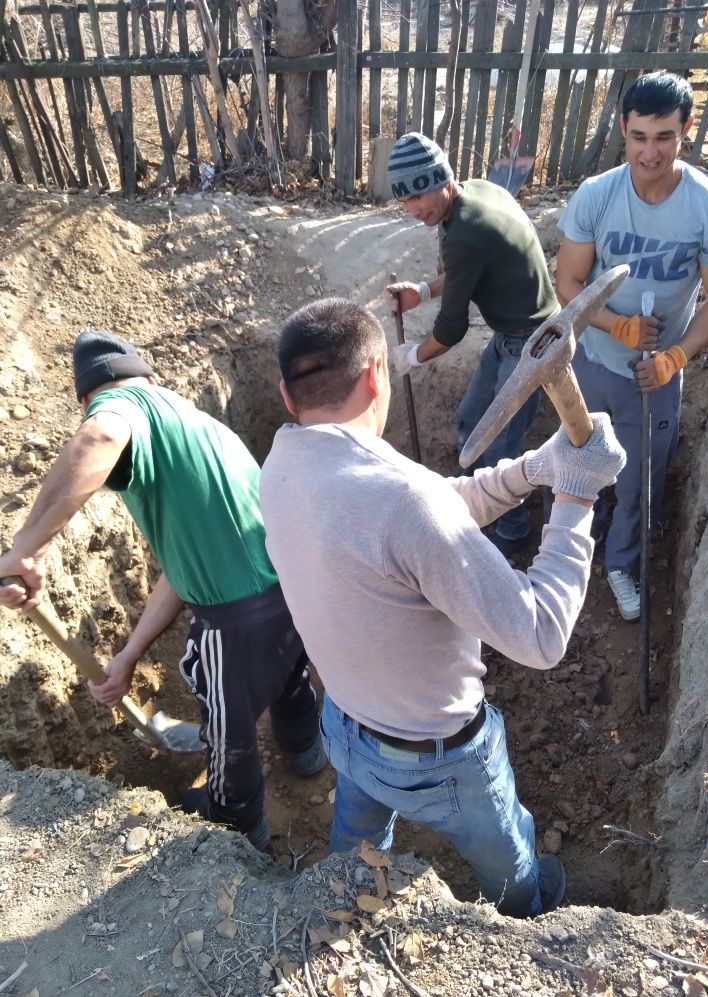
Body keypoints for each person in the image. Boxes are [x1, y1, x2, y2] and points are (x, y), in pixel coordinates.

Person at [259, 298, 626, 917]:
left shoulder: (284, 464)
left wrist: (536, 467)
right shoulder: (403, 500)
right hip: (442, 761)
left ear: (287, 396)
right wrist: (576, 493)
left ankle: (348, 899)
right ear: (379, 376)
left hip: (347, 727)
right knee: (509, 868)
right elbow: (541, 637)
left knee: (355, 852)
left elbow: (428, 516)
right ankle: (525, 914)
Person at [0, 331, 325, 849]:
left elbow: (102, 437)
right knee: (290, 683)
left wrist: (26, 547)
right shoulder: (200, 428)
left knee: (228, 730)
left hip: (234, 623)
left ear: (89, 397)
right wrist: (129, 655)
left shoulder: (119, 408)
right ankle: (307, 751)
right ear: (152, 376)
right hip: (291, 594)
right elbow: (181, 570)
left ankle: (239, 824)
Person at [556, 71, 708, 621]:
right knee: (577, 459)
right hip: (591, 364)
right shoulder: (597, 196)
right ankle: (569, 547)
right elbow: (568, 285)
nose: (650, 152)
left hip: (655, 377)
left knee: (640, 480)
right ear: (623, 130)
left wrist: (674, 356)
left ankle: (622, 561)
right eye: (639, 137)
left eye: (664, 137)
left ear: (686, 129)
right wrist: (615, 326)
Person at [384, 131, 559, 556]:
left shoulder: (465, 231)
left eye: (419, 196)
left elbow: (451, 330)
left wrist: (412, 355)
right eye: (405, 202)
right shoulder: (476, 194)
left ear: (441, 179)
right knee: (470, 424)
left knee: (497, 449)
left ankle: (511, 534)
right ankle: (488, 510)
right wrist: (423, 291)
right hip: (512, 335)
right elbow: (468, 273)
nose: (414, 210)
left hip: (533, 343)